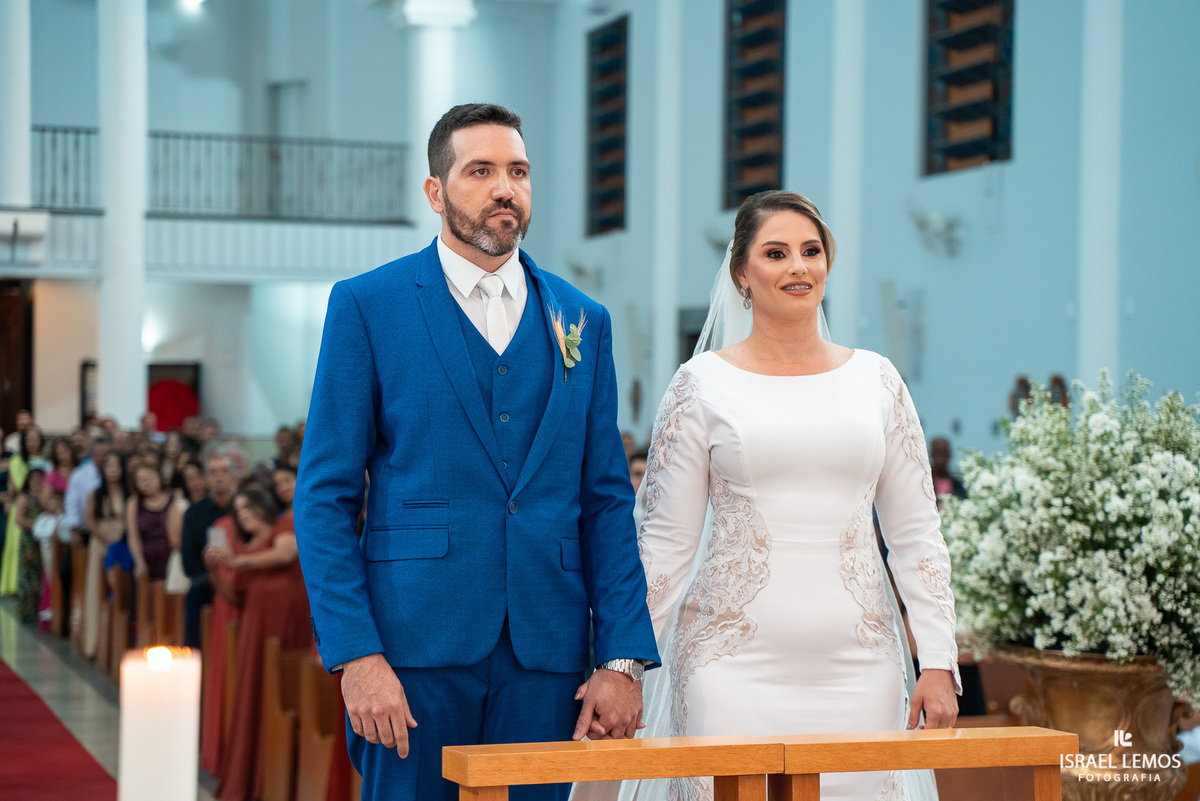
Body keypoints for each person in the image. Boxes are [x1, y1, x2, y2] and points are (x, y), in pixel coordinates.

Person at [295, 102, 658, 801]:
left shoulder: (582, 318)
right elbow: (324, 498)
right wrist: (356, 654)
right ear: (436, 192)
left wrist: (621, 659)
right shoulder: (369, 305)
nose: (505, 188)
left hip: (548, 655)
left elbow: (607, 501)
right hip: (410, 653)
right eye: (481, 171)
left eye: (518, 171)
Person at [621, 191, 958, 801]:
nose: (798, 266)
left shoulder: (877, 380)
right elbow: (666, 545)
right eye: (775, 253)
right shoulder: (701, 385)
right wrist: (624, 665)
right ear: (741, 273)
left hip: (861, 663)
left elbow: (915, 535)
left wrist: (937, 659)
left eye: (811, 251)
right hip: (729, 664)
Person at [209, 489, 311, 801]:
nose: (243, 514)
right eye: (238, 511)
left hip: (289, 626)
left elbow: (286, 555)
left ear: (262, 505)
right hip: (256, 631)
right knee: (254, 693)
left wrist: (237, 561)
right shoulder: (244, 547)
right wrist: (215, 570)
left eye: (247, 507)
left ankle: (289, 776)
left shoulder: (283, 527)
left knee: (286, 694)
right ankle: (255, 777)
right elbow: (234, 596)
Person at [181, 451, 239, 647]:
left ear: (234, 476)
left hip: (241, 578)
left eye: (224, 471)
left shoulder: (247, 509)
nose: (219, 476)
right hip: (207, 582)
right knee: (195, 595)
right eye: (213, 472)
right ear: (206, 479)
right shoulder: (194, 513)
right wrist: (216, 579)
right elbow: (189, 561)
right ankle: (195, 656)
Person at [2, 424, 45, 595]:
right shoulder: (16, 461)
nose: (32, 442)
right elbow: (14, 488)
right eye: (28, 439)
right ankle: (15, 585)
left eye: (35, 438)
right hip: (21, 505)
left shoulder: (45, 461)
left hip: (41, 506)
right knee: (17, 546)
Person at [126, 460, 173, 581]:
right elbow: (133, 536)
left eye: (150, 477)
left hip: (171, 556)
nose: (147, 482)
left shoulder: (174, 498)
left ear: (159, 477)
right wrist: (139, 561)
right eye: (142, 480)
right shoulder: (133, 503)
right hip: (145, 557)